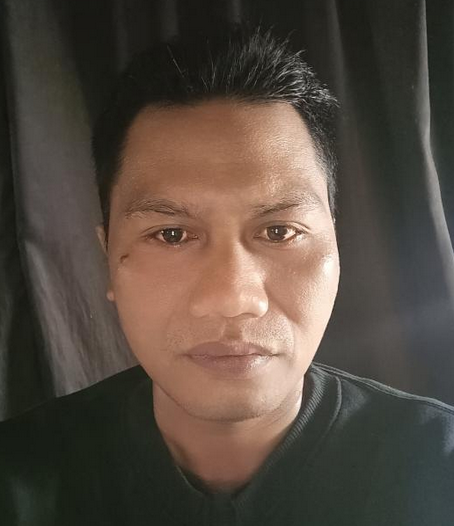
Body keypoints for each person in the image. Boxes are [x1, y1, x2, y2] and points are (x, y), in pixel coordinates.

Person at [1, 23, 453, 526]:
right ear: (109, 258)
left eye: (279, 231)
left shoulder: (438, 469)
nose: (233, 298)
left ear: (337, 246)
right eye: (171, 234)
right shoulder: (18, 478)